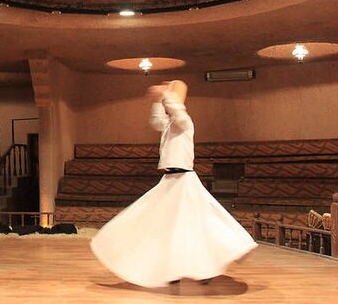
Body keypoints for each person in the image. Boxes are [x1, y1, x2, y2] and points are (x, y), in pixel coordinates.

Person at [90, 80, 257, 288]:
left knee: (197, 224)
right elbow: (157, 121)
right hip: (170, 181)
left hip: (184, 180)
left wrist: (167, 94)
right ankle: (174, 267)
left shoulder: (185, 122)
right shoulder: (169, 126)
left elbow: (178, 112)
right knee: (168, 226)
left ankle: (205, 266)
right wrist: (159, 100)